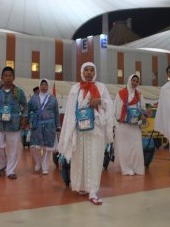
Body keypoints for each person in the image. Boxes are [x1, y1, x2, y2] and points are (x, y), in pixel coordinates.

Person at [58, 62, 114, 205]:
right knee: (79, 157)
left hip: (95, 129)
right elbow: (70, 111)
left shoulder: (101, 87)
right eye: (86, 70)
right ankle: (81, 186)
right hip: (79, 129)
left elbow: (110, 105)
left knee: (95, 158)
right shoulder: (74, 89)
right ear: (82, 72)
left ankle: (93, 191)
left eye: (92, 70)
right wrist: (68, 132)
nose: (89, 72)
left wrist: (99, 101)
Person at [0, 66, 28, 180]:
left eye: (10, 75)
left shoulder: (19, 92)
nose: (8, 78)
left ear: (14, 77)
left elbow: (25, 106)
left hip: (14, 124)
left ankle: (10, 171)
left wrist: (24, 118)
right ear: (2, 78)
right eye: (5, 76)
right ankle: (1, 166)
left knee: (13, 148)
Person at [113, 74, 147, 176]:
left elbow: (143, 109)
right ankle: (126, 169)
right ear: (129, 81)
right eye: (133, 80)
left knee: (136, 148)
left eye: (137, 81)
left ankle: (137, 168)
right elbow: (115, 110)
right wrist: (115, 124)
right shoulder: (120, 94)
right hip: (123, 126)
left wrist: (143, 116)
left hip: (135, 127)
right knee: (124, 149)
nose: (135, 83)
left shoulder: (139, 95)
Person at [28, 79, 61, 175]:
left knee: (47, 148)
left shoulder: (53, 98)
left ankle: (45, 166)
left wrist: (58, 125)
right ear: (39, 86)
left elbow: (56, 113)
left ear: (48, 86)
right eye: (42, 84)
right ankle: (38, 162)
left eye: (45, 85)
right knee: (35, 147)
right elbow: (29, 110)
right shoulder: (33, 98)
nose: (43, 86)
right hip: (37, 125)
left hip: (49, 126)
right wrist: (29, 121)